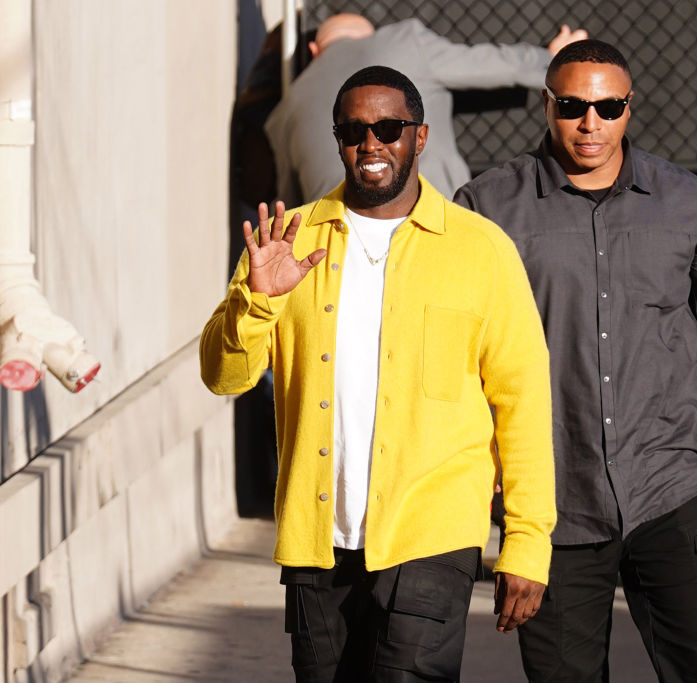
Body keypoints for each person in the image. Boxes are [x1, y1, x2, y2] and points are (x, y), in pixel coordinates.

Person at [455, 40, 697, 682]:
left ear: (629, 108)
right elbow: (454, 350)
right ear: (547, 106)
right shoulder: (486, 209)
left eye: (609, 107)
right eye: (574, 107)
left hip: (669, 489)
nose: (592, 123)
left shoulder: (687, 203)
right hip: (555, 505)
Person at [201, 65, 555, 682]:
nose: (371, 144)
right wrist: (256, 301)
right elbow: (224, 376)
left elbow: (521, 401)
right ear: (337, 139)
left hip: (431, 534)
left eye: (389, 128)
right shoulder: (287, 240)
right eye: (353, 130)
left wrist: (526, 542)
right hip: (317, 540)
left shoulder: (480, 249)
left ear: (420, 138)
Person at [264, 13, 587, 206]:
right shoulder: (404, 41)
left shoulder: (286, 109)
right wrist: (553, 59)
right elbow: (493, 65)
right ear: (370, 34)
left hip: (338, 252)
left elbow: (288, 207)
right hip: (432, 222)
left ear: (315, 50)